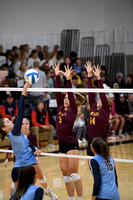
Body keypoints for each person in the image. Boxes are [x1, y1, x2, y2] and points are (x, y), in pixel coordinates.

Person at [0, 82, 57, 199]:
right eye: (7, 121)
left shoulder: (18, 133)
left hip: (26, 167)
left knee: (28, 195)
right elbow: (20, 113)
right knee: (21, 196)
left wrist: (35, 149)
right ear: (4, 128)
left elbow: (28, 143)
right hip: (21, 170)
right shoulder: (14, 132)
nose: (10, 121)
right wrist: (23, 93)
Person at [53, 63, 86, 200]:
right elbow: (57, 92)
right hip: (62, 144)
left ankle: (80, 198)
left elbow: (71, 95)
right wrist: (56, 76)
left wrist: (67, 79)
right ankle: (71, 198)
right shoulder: (60, 107)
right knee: (66, 176)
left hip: (72, 143)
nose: (66, 99)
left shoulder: (72, 110)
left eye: (68, 98)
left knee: (74, 174)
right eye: (65, 97)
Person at [85, 61, 110, 156]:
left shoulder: (105, 110)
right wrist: (89, 75)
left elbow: (102, 94)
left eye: (103, 100)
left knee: (105, 166)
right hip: (91, 140)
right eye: (99, 99)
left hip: (101, 141)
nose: (100, 99)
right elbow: (91, 92)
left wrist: (99, 78)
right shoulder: (93, 107)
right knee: (92, 166)